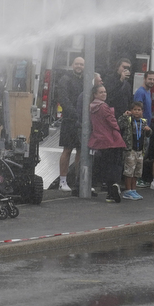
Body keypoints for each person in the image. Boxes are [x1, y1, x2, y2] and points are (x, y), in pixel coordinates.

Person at [88, 84, 127, 203]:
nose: (104, 94)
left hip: (100, 140)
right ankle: (114, 185)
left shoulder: (91, 107)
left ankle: (110, 192)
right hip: (112, 139)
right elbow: (111, 121)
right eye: (101, 92)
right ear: (95, 94)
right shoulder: (103, 106)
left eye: (105, 92)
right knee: (116, 165)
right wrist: (118, 126)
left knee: (106, 166)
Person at [54, 57, 85, 193]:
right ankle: (62, 181)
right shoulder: (65, 80)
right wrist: (76, 114)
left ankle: (78, 181)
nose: (79, 66)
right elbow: (64, 100)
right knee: (67, 150)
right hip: (69, 120)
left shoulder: (85, 80)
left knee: (80, 150)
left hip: (82, 121)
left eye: (81, 64)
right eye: (77, 63)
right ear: (72, 65)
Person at [119, 100, 150, 199]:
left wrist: (149, 130)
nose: (137, 112)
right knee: (129, 171)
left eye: (139, 110)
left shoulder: (143, 122)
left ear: (142, 111)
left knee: (137, 171)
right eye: (135, 110)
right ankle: (128, 190)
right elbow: (119, 124)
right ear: (131, 110)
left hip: (140, 150)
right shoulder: (128, 120)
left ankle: (133, 189)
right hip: (130, 150)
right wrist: (125, 115)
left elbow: (148, 135)